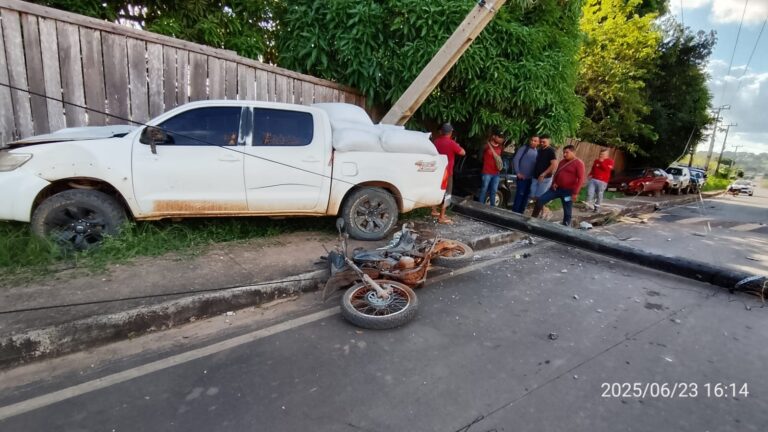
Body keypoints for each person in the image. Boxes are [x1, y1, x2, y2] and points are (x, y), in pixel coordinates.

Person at [532, 145, 585, 226]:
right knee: (540, 200)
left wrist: (575, 193)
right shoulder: (562, 162)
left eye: (567, 152)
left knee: (567, 211)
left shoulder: (579, 163)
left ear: (573, 152)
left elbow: (581, 179)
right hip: (556, 189)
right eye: (564, 152)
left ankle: (565, 228)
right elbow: (556, 174)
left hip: (568, 192)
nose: (564, 154)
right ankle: (532, 219)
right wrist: (554, 183)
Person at [431, 123, 465, 224]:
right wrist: (457, 145)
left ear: (441, 132)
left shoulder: (436, 141)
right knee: (447, 194)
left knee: (436, 190)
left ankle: (433, 210)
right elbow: (463, 152)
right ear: (450, 133)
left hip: (437, 171)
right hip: (447, 172)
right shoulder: (451, 143)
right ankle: (441, 216)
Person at [511, 135, 539, 213]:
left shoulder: (538, 152)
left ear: (538, 143)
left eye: (535, 141)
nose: (532, 142)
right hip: (522, 179)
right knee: (519, 196)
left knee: (526, 197)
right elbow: (515, 160)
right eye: (532, 140)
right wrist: (518, 173)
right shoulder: (524, 148)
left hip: (531, 179)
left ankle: (521, 214)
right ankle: (514, 213)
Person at [478, 129, 505, 207]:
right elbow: (479, 158)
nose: (501, 139)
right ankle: (480, 207)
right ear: (494, 136)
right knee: (484, 190)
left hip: (496, 173)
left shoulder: (501, 147)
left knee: (494, 191)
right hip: (486, 172)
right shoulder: (486, 145)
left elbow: (500, 158)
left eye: (502, 137)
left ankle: (492, 208)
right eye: (499, 137)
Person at [530, 134, 558, 205]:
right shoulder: (539, 150)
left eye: (544, 142)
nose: (542, 143)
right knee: (532, 195)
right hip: (535, 176)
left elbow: (554, 164)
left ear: (549, 141)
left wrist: (543, 174)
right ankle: (543, 211)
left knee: (539, 198)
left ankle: (541, 212)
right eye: (541, 142)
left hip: (544, 178)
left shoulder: (551, 151)